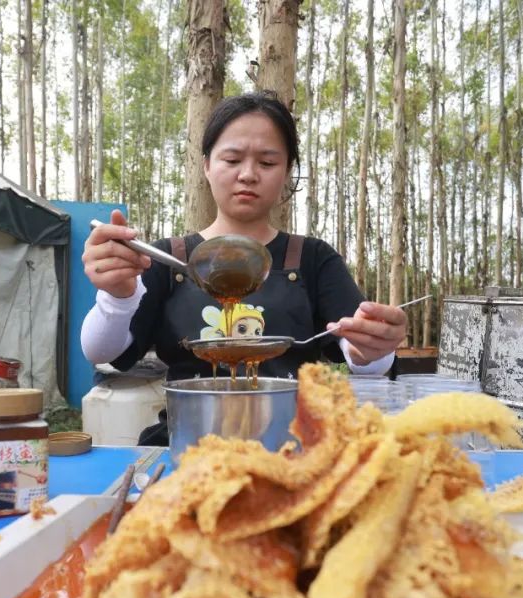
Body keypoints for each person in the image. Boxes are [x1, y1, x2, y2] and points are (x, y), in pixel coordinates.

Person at [81, 92, 408, 444]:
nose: (248, 175)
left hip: (290, 448)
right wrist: (117, 296)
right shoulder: (165, 258)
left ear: (286, 171)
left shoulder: (313, 258)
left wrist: (371, 348)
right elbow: (102, 352)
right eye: (232, 159)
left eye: (267, 162)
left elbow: (365, 356)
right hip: (186, 443)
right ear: (207, 165)